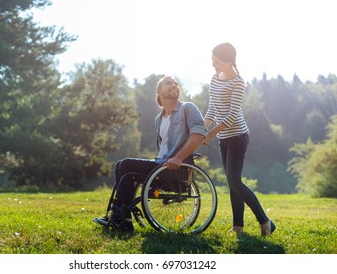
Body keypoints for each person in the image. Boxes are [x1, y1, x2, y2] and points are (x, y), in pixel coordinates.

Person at [94, 75, 207, 231]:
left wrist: (178, 158)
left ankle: (121, 217)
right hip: (161, 167)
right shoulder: (158, 119)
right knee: (122, 166)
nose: (174, 85)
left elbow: (199, 135)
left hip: (177, 171)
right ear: (159, 92)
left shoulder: (188, 108)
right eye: (169, 83)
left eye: (175, 84)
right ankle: (122, 217)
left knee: (126, 164)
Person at [203, 42, 276, 236]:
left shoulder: (238, 82)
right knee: (232, 182)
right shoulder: (215, 78)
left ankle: (265, 221)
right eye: (212, 60)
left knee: (235, 181)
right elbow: (212, 108)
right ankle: (238, 226)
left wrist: (210, 134)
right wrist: (202, 129)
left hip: (238, 137)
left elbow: (231, 116)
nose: (213, 64)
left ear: (228, 61)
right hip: (224, 138)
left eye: (217, 61)